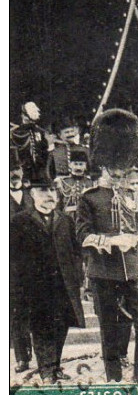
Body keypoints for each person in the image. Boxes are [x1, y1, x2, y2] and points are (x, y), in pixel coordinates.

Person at [76, 109, 138, 383]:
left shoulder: (133, 194)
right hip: (104, 272)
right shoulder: (90, 197)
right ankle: (114, 379)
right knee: (110, 330)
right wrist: (110, 242)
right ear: (105, 166)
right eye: (117, 170)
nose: (121, 174)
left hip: (133, 270)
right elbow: (83, 236)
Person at [11, 162, 85, 382]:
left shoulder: (65, 220)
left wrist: (78, 278)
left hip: (63, 284)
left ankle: (55, 366)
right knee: (42, 328)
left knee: (61, 326)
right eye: (43, 191)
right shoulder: (19, 221)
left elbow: (75, 251)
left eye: (52, 190)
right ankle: (46, 372)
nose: (49, 195)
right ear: (32, 194)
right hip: (35, 288)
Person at [10, 163, 34, 372]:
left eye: (17, 169)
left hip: (34, 260)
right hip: (10, 263)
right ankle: (22, 357)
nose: (14, 174)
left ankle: (45, 357)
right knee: (16, 311)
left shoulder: (31, 196)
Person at [54, 148, 95, 215]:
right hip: (67, 217)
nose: (78, 167)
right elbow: (57, 205)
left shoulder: (91, 183)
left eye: (81, 164)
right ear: (70, 165)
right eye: (75, 164)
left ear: (85, 166)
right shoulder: (62, 182)